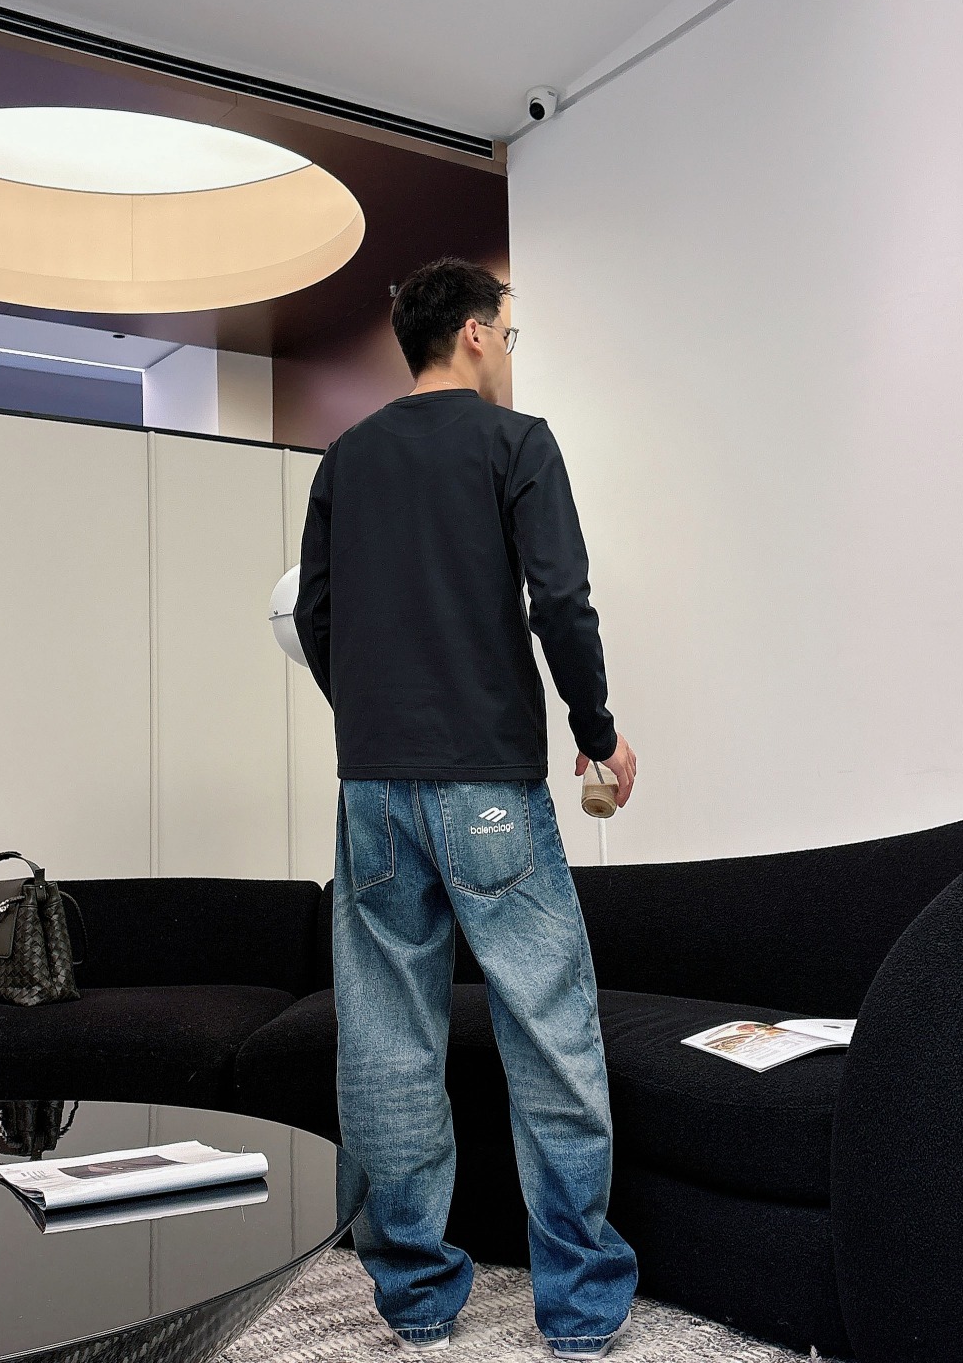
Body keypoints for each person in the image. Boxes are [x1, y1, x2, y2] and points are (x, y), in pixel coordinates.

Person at [293, 256, 639, 1360]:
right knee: (550, 1027)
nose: (509, 352)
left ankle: (416, 1300)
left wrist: (377, 718)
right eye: (509, 332)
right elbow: (561, 601)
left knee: (386, 1037)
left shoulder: (346, 457)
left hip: (373, 787)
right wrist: (596, 731)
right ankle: (579, 1307)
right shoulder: (516, 441)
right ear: (478, 333)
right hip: (489, 782)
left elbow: (315, 614)